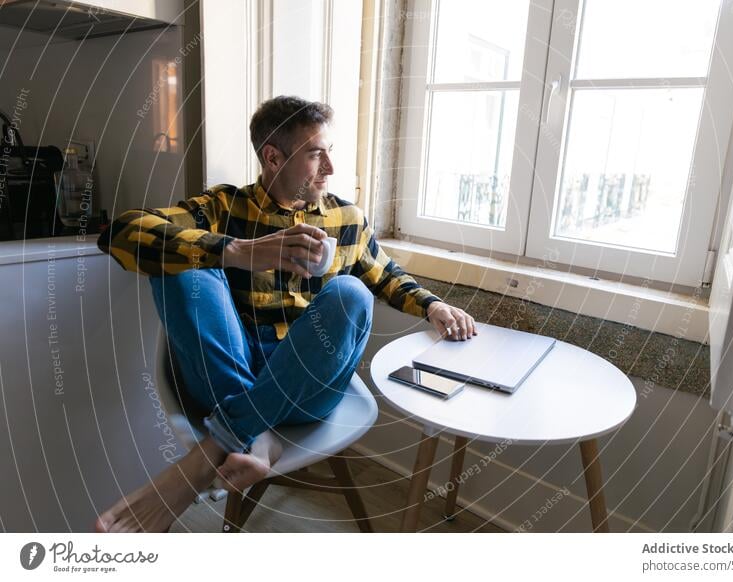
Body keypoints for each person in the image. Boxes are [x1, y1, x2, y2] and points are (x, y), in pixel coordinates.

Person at [94, 95, 477, 532]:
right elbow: (120, 233)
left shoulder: (346, 218)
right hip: (228, 368)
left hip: (307, 380)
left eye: (329, 152)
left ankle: (218, 446)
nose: (331, 169)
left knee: (352, 292)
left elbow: (385, 274)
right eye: (317, 154)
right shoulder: (224, 208)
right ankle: (257, 435)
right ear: (272, 157)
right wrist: (239, 252)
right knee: (177, 266)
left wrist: (433, 304)